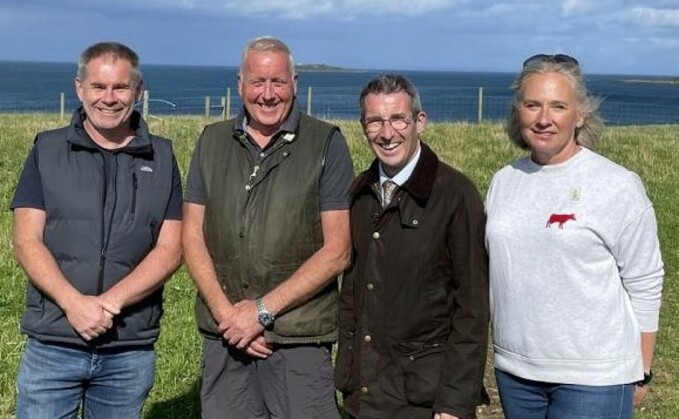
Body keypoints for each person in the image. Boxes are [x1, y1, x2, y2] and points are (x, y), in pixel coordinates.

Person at [182, 36, 354, 419]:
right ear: (240, 84)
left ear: (295, 83)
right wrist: (229, 317)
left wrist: (260, 312)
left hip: (299, 338)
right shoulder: (211, 141)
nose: (268, 93)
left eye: (278, 82)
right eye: (257, 82)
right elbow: (191, 236)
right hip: (224, 335)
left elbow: (338, 249)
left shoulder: (326, 143)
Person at [485, 54, 664, 418]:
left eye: (558, 106)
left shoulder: (617, 186)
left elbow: (645, 282)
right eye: (532, 104)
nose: (543, 118)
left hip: (594, 376)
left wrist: (641, 371)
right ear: (518, 111)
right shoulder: (504, 181)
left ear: (580, 114)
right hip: (516, 373)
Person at [11, 41, 183, 419]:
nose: (109, 98)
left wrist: (109, 304)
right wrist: (75, 304)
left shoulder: (164, 157)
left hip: (128, 346)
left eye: (121, 87)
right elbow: (26, 240)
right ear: (79, 88)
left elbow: (171, 248)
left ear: (139, 90)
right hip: (53, 342)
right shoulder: (47, 150)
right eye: (98, 87)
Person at [334, 74, 490, 419]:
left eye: (398, 119)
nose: (387, 133)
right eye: (375, 121)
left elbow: (472, 308)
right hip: (364, 394)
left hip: (426, 399)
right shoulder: (359, 195)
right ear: (363, 126)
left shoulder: (455, 196)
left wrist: (454, 403)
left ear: (420, 121)